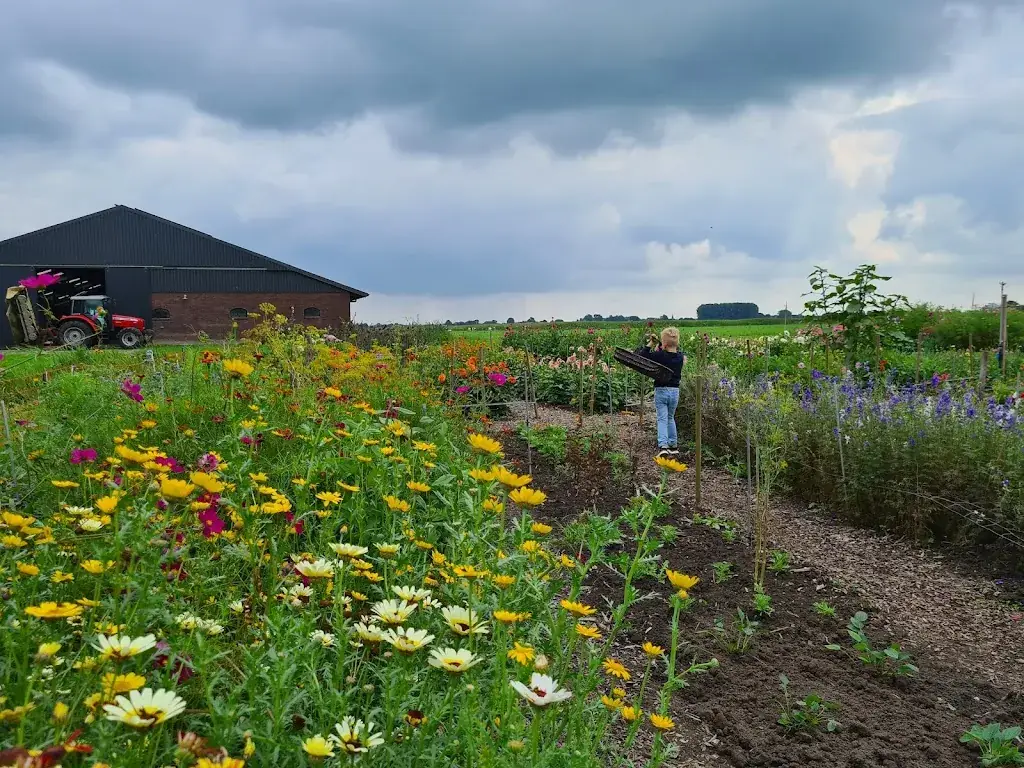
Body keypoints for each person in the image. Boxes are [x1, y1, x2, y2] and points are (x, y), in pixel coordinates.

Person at [637, 327, 684, 456]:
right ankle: (673, 446)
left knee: (662, 419)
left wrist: (651, 343)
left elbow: (642, 356)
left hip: (662, 390)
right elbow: (670, 355)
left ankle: (663, 446)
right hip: (675, 391)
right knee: (670, 418)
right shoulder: (680, 357)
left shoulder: (660, 355)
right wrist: (662, 346)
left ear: (664, 343)